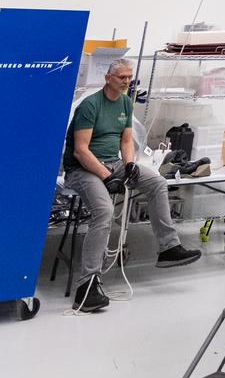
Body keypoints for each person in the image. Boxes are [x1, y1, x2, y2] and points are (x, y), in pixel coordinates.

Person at [64, 59, 201, 312]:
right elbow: (80, 151)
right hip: (82, 169)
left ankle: (168, 248)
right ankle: (87, 287)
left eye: (129, 77)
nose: (127, 81)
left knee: (157, 183)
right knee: (104, 211)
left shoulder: (126, 103)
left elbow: (126, 140)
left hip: (113, 162)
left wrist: (128, 165)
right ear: (108, 78)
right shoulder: (90, 105)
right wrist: (107, 177)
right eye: (122, 77)